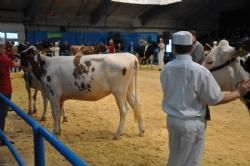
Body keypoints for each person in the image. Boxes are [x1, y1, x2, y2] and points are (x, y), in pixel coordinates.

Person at [160, 31, 250, 166]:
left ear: (174, 48)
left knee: (175, 158)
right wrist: (239, 92)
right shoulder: (200, 71)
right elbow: (215, 99)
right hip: (192, 124)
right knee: (191, 162)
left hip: (172, 121)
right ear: (191, 48)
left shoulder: (166, 69)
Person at [0, 37, 20, 146]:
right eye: (3, 47)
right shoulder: (2, 59)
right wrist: (19, 61)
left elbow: (7, 54)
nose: (5, 49)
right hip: (4, 90)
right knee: (2, 115)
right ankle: (1, 139)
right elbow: (15, 64)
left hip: (3, 89)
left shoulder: (3, 56)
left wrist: (12, 53)